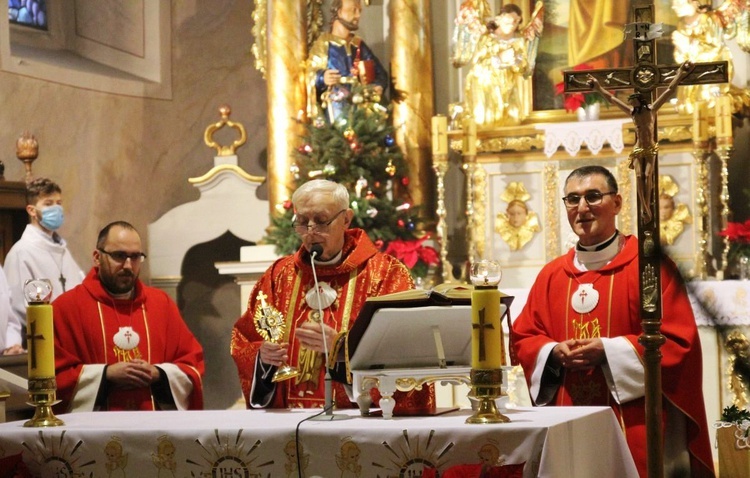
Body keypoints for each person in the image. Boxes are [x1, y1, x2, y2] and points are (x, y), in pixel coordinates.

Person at [512, 165, 714, 477]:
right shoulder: (552, 276)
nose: (582, 209)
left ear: (617, 203)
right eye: (573, 199)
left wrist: (608, 350)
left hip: (635, 422)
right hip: (566, 419)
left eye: (593, 197)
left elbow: (678, 343)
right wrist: (552, 353)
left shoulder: (650, 268)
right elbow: (524, 337)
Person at [231, 179, 426, 410]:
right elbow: (245, 339)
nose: (311, 232)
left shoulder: (385, 275)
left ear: (346, 219)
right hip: (288, 419)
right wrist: (261, 358)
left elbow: (404, 349)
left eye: (321, 221)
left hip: (357, 421)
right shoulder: (279, 276)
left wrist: (342, 348)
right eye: (302, 222)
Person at [52, 221, 204, 412]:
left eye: (135, 257)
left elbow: (192, 364)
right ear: (97, 257)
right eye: (119, 256)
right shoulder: (66, 308)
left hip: (154, 432)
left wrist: (158, 373)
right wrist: (106, 374)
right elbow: (53, 378)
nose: (128, 265)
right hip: (95, 435)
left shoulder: (160, 304)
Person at [587, 61, 693, 224]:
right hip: (638, 149)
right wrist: (597, 88)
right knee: (638, 175)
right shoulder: (632, 113)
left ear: (638, 101)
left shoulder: (651, 110)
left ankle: (648, 208)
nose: (631, 104)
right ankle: (644, 207)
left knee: (647, 174)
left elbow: (669, 90)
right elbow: (612, 99)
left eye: (633, 101)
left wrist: (681, 73)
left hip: (649, 148)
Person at [3, 178, 84, 355]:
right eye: (48, 204)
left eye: (59, 203)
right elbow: (19, 309)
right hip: (42, 343)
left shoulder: (63, 251)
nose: (56, 209)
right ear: (32, 210)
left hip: (72, 340)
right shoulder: (21, 253)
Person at [306, 0, 388, 122]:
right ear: (339, 12)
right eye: (353, 10)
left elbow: (380, 73)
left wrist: (378, 86)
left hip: (360, 108)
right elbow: (309, 74)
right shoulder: (324, 43)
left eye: (359, 11)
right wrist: (323, 77)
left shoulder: (358, 45)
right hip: (335, 108)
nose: (358, 15)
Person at [462, 4, 531, 127]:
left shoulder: (519, 42)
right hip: (486, 87)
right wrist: (499, 58)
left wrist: (516, 62)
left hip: (508, 87)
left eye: (516, 22)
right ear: (498, 19)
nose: (512, 24)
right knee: (488, 121)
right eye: (509, 20)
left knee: (512, 120)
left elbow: (524, 68)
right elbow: (477, 65)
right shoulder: (486, 39)